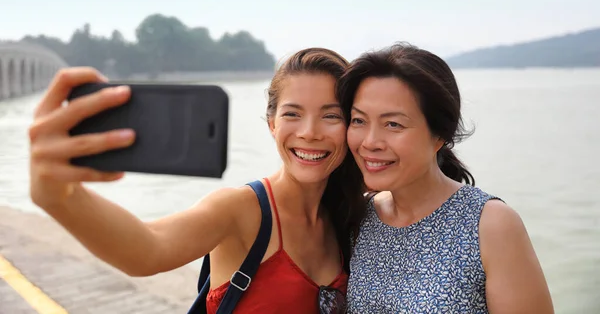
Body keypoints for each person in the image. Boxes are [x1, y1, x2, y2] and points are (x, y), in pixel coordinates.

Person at [27, 47, 365, 314]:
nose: (309, 133)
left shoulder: (347, 215)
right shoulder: (242, 210)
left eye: (330, 116)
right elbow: (148, 248)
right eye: (293, 114)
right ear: (272, 124)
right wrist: (59, 196)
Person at [338, 43, 554, 313]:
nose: (370, 142)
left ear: (440, 135)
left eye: (393, 124)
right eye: (359, 121)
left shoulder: (490, 224)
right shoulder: (360, 218)